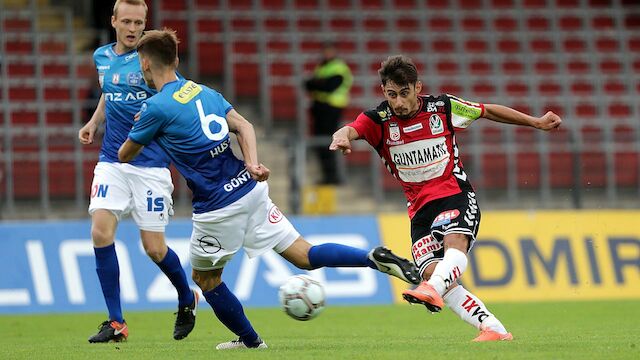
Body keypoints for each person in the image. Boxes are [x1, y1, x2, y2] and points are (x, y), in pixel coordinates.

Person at [117, 29, 421, 350]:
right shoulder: (203, 91)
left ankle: (251, 342)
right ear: (176, 59)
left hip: (217, 206)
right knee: (304, 255)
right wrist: (251, 162)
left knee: (205, 279)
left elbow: (126, 154)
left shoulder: (155, 108)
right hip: (251, 190)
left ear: (146, 63)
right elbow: (245, 125)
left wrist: (143, 127)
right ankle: (372, 257)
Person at [329, 55, 562, 342]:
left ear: (417, 88)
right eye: (392, 94)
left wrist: (536, 122)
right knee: (432, 273)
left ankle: (432, 290)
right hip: (419, 211)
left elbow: (487, 111)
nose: (399, 102)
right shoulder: (378, 120)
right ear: (383, 92)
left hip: (455, 194)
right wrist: (341, 137)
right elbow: (351, 128)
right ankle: (494, 329)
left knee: (453, 247)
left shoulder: (442, 107)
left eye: (404, 93)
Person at [78, 0, 196, 343]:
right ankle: (116, 322)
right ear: (113, 21)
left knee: (154, 248)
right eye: (127, 21)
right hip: (112, 162)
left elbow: (178, 95)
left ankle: (186, 297)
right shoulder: (102, 56)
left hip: (150, 165)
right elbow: (108, 91)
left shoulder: (151, 58)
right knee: (100, 233)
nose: (133, 29)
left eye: (139, 23)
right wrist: (94, 121)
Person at [304, 43, 353, 185]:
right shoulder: (322, 67)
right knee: (321, 142)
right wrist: (318, 84)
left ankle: (332, 176)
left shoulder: (339, 67)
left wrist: (317, 84)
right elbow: (309, 84)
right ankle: (328, 175)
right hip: (320, 109)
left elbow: (327, 86)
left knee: (328, 141)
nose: (326, 54)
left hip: (332, 108)